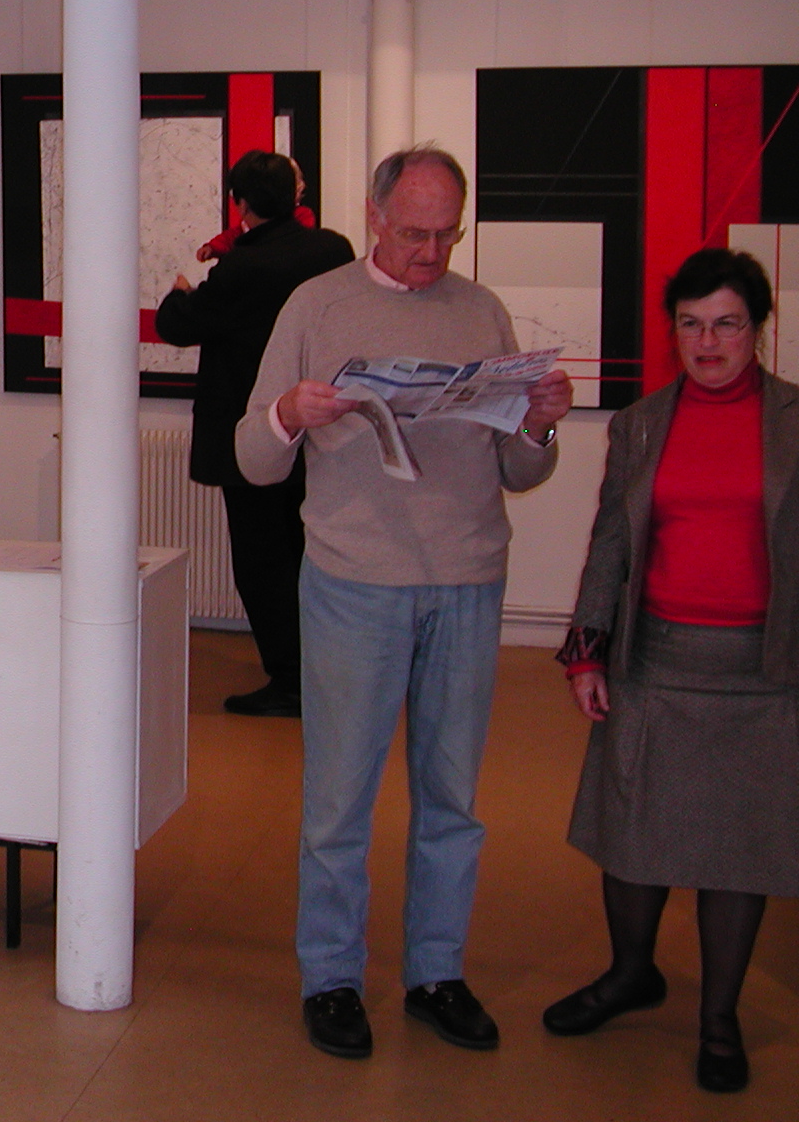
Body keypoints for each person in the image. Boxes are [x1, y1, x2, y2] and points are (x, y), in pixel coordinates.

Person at [234, 144, 573, 1061]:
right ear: (376, 217)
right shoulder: (317, 305)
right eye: (415, 233)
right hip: (354, 582)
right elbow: (252, 458)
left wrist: (539, 425)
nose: (431, 253)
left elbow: (520, 471)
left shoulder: (482, 310)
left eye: (446, 234)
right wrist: (289, 417)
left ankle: (436, 973)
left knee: (452, 798)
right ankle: (332, 979)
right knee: (339, 801)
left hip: (468, 579)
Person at [544, 247, 799, 1095]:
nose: (708, 342)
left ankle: (719, 1018)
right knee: (632, 835)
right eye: (691, 324)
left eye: (727, 324)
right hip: (654, 659)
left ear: (758, 329)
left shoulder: (795, 420)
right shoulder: (642, 423)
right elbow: (610, 543)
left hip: (764, 671)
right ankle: (631, 974)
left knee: (738, 851)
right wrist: (588, 648)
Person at [155, 151, 354, 716]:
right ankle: (330, 671)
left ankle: (291, 682)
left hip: (253, 435)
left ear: (239, 203)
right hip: (321, 429)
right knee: (312, 554)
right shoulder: (332, 251)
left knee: (263, 562)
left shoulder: (241, 269)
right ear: (296, 195)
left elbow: (177, 326)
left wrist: (180, 290)